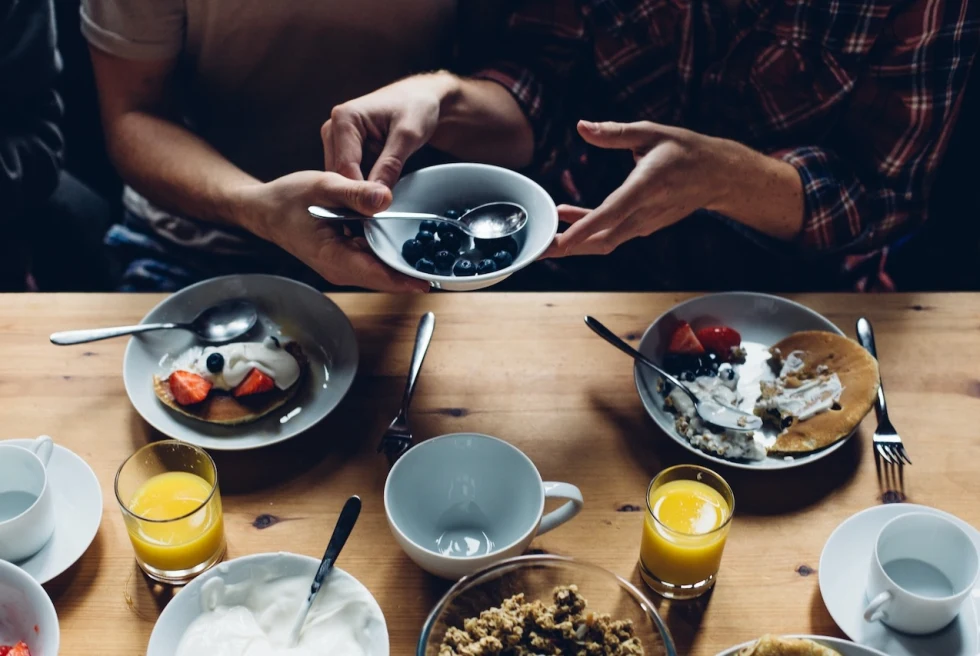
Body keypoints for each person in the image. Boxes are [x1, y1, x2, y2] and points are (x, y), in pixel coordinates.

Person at [322, 0, 980, 291]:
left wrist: (727, 178)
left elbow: (890, 196)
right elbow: (540, 86)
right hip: (576, 274)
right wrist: (442, 97)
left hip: (798, 298)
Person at [80, 1, 503, 292]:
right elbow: (132, 115)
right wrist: (253, 205)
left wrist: (439, 94)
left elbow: (524, 105)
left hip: (410, 239)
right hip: (199, 244)